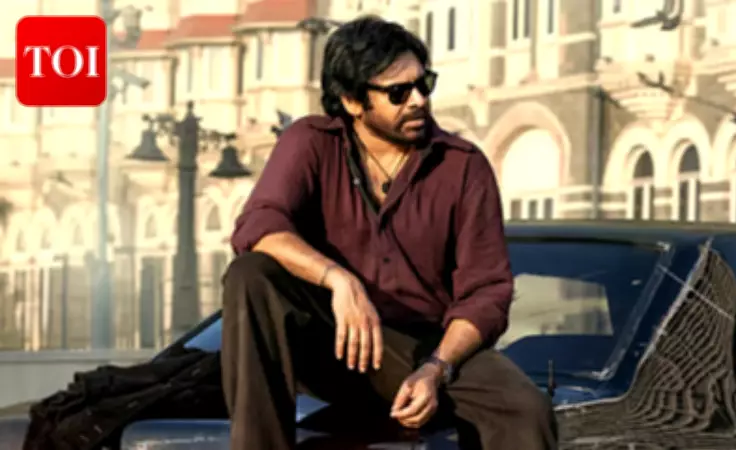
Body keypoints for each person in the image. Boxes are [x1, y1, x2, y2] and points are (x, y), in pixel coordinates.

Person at [221, 14, 558, 450]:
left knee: (525, 410)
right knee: (251, 273)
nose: (418, 100)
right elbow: (258, 224)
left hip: (422, 347)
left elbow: (486, 292)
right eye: (398, 93)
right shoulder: (310, 143)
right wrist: (338, 280)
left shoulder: (463, 166)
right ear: (352, 101)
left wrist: (436, 369)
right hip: (329, 341)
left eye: (424, 84)